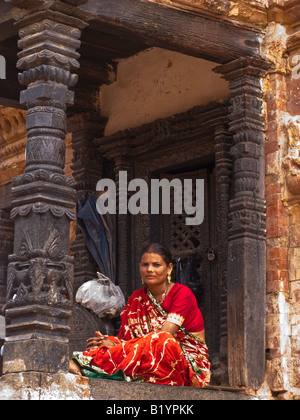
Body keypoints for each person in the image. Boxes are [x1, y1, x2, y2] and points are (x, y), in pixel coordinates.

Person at [70, 243, 211, 387]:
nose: (149, 270)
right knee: (105, 343)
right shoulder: (136, 298)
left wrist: (117, 346)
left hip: (187, 365)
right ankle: (88, 362)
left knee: (162, 340)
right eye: (145, 265)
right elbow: (127, 339)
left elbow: (165, 335)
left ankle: (88, 363)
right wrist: (112, 343)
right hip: (146, 355)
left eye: (156, 265)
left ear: (169, 268)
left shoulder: (182, 294)